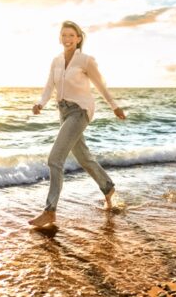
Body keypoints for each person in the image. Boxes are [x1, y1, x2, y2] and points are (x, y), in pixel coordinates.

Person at [29, 21, 126, 230]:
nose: (67, 39)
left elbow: (101, 86)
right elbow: (49, 86)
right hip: (63, 112)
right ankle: (108, 188)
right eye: (64, 35)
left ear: (79, 38)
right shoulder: (55, 61)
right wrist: (40, 103)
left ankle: (49, 211)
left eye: (71, 35)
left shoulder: (86, 60)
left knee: (55, 159)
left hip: (80, 111)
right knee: (84, 158)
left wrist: (114, 106)